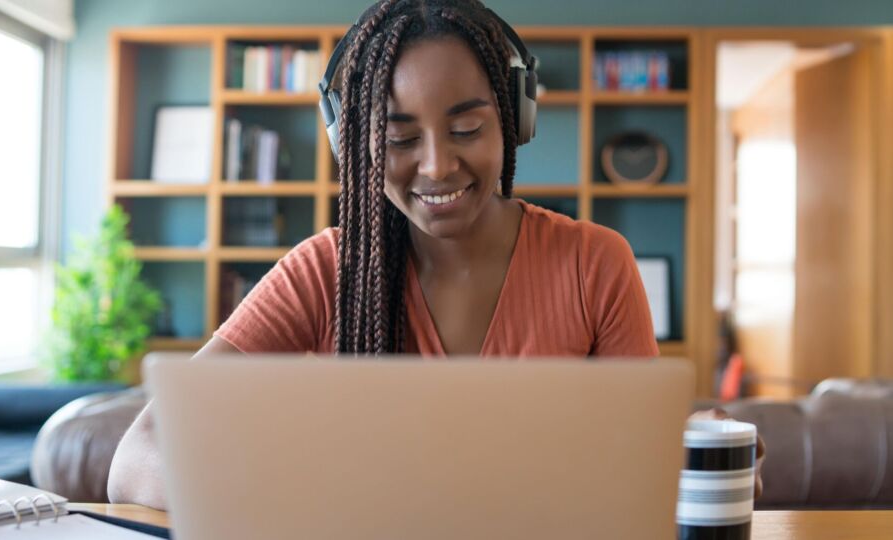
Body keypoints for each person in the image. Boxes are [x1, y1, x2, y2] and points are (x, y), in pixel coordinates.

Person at [108, 0, 761, 509]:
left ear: (515, 121)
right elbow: (136, 456)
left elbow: (638, 473)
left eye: (467, 129)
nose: (437, 165)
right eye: (398, 137)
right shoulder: (324, 271)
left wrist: (693, 461)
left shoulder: (594, 263)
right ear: (354, 142)